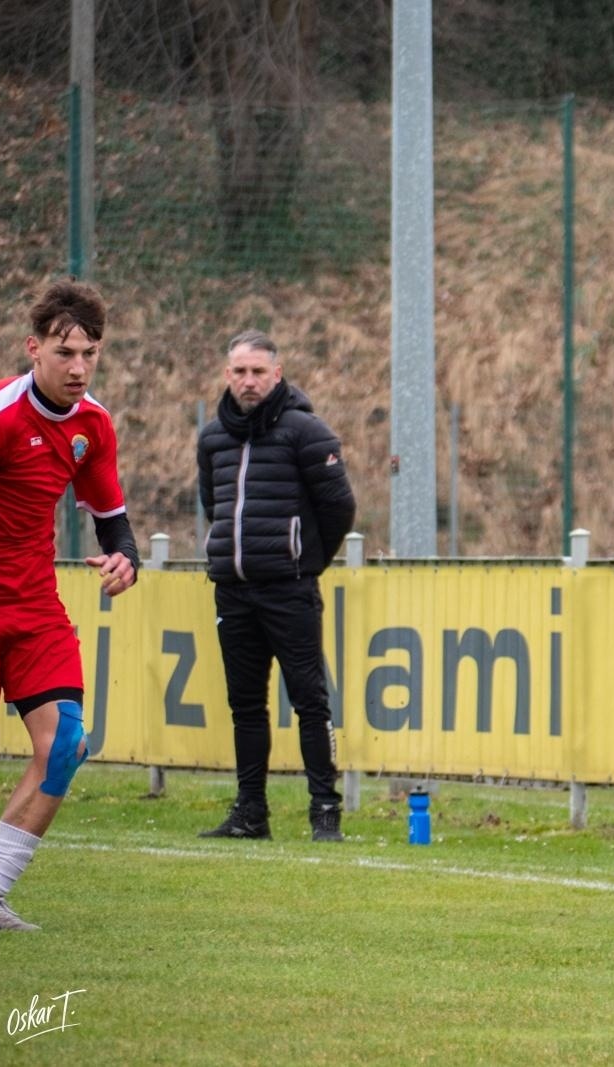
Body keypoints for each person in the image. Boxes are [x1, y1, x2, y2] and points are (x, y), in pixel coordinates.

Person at [0, 281, 139, 931]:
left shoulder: (93, 425)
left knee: (67, 742)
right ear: (34, 348)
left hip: (34, 606)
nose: (78, 367)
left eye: (91, 354)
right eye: (65, 352)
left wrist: (124, 557)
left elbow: (112, 517)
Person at [197, 330, 356, 843]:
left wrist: (304, 562)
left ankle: (325, 812)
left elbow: (339, 508)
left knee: (310, 701)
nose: (248, 381)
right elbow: (213, 505)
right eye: (239, 372)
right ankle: (250, 813)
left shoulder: (306, 432)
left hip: (290, 590)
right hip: (233, 591)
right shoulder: (213, 437)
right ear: (227, 375)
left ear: (277, 375)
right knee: (245, 705)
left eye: (258, 372)